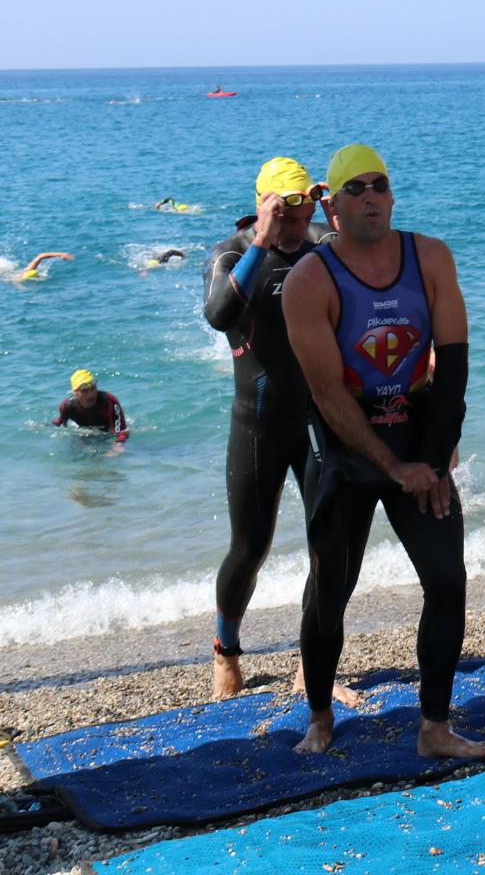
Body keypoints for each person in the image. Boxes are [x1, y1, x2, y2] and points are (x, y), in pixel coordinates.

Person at [280, 144, 485, 758]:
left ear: (392, 197)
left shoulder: (430, 258)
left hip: (417, 436)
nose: (370, 196)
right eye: (355, 188)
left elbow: (453, 366)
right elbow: (327, 394)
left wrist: (434, 458)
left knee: (447, 579)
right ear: (333, 206)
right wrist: (392, 466)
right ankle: (319, 716)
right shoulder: (309, 281)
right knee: (331, 587)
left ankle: (435, 728)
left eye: (379, 185)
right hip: (345, 446)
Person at [201, 157, 333, 698]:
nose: (297, 226)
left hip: (318, 419)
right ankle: (226, 651)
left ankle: (313, 661)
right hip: (257, 422)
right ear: (263, 205)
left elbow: (374, 267)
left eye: (303, 213)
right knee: (249, 548)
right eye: (285, 214)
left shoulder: (323, 245)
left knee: (330, 543)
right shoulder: (232, 253)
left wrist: (335, 213)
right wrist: (262, 237)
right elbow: (218, 314)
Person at [54, 369, 128, 452]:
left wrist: (118, 446)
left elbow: (122, 431)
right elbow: (58, 424)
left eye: (93, 388)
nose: (91, 395)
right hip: (83, 433)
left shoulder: (109, 401)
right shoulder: (68, 406)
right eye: (85, 391)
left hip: (107, 434)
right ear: (75, 392)